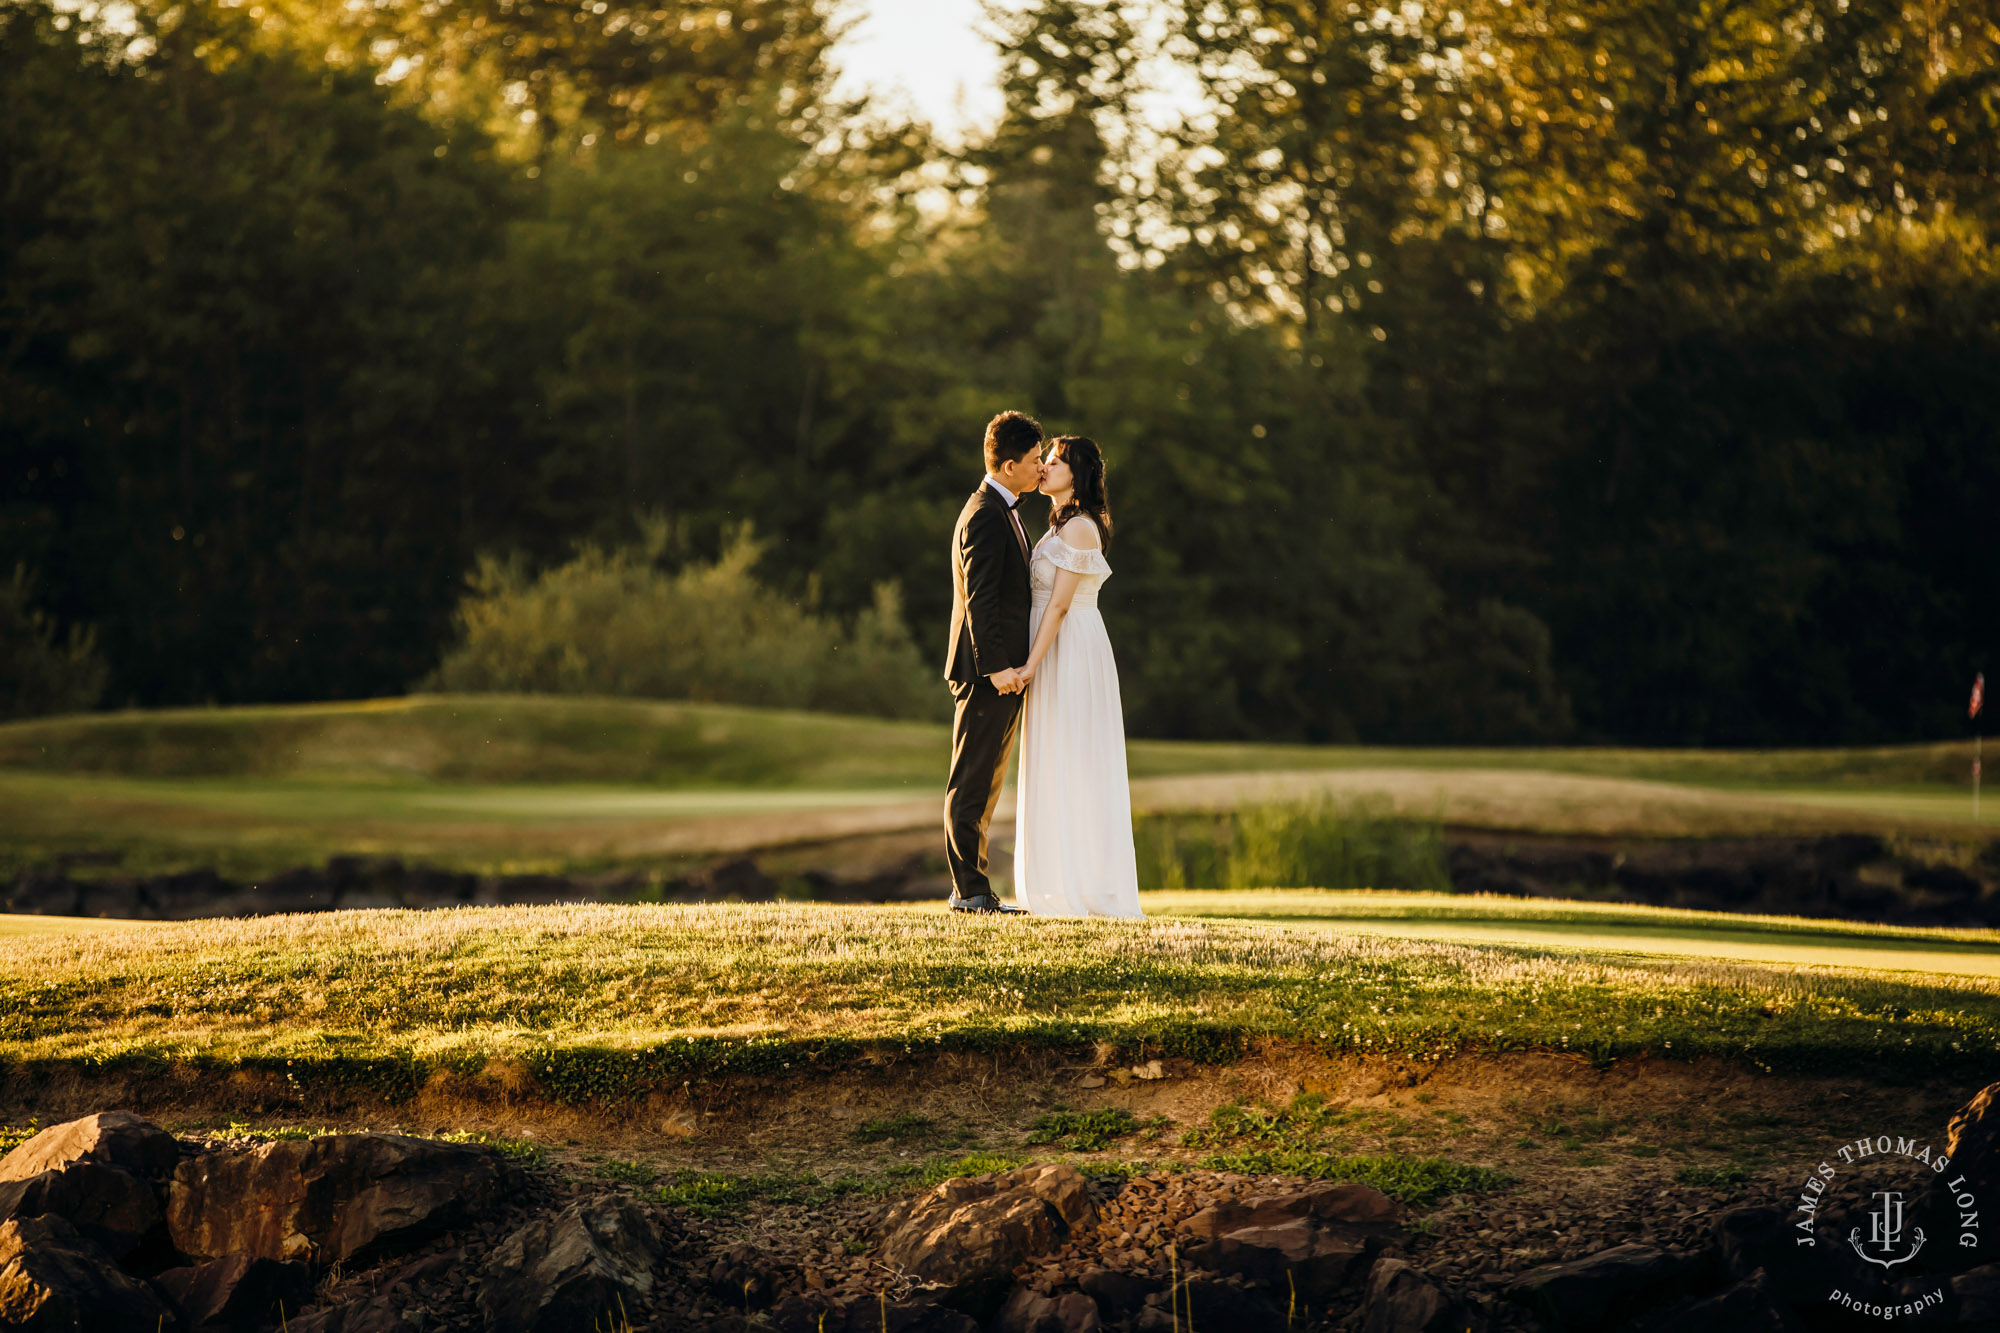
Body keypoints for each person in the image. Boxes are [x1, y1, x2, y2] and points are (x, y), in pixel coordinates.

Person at [1012, 436, 1143, 917]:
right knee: (1053, 754)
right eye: (1045, 458)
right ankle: (1053, 883)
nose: (1044, 466)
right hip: (1053, 646)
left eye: (1055, 460)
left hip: (1070, 650)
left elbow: (1062, 604)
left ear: (1078, 473)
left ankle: (1086, 886)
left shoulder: (1081, 528)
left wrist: (1030, 664)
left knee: (1078, 759)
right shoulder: (1059, 526)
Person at [942, 411, 1043, 914]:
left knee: (987, 780)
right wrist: (996, 667)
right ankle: (970, 893)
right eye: (1033, 460)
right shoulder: (984, 512)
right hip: (987, 673)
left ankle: (976, 890)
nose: (1041, 468)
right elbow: (980, 600)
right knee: (973, 779)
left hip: (1000, 671)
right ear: (1006, 465)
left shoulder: (1004, 506)